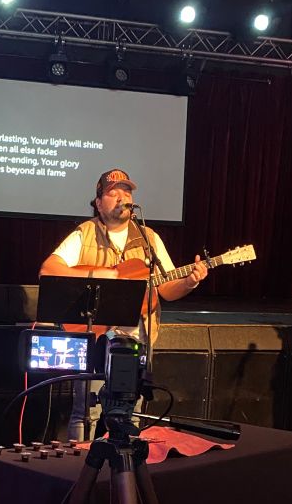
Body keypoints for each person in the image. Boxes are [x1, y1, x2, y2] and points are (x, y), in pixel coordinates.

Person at [39, 168, 208, 440]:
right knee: (86, 411)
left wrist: (189, 282)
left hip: (135, 338)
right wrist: (102, 275)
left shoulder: (149, 237)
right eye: (113, 192)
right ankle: (81, 462)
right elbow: (49, 269)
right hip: (93, 336)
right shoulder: (85, 233)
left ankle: (127, 463)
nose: (122, 197)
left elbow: (166, 288)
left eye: (127, 192)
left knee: (131, 410)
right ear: (98, 203)